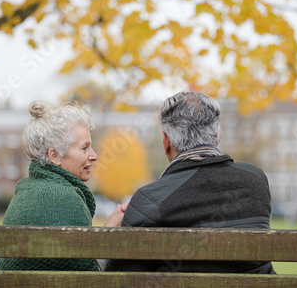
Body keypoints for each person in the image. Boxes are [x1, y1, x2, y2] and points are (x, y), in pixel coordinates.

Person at [106, 92, 276, 274]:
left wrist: (108, 234)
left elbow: (123, 278)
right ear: (217, 137)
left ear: (166, 142)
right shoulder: (255, 180)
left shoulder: (150, 200)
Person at [0, 100, 126, 271]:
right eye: (84, 148)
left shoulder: (24, 190)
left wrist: (107, 229)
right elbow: (87, 277)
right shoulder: (67, 199)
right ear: (55, 156)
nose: (94, 156)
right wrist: (110, 233)